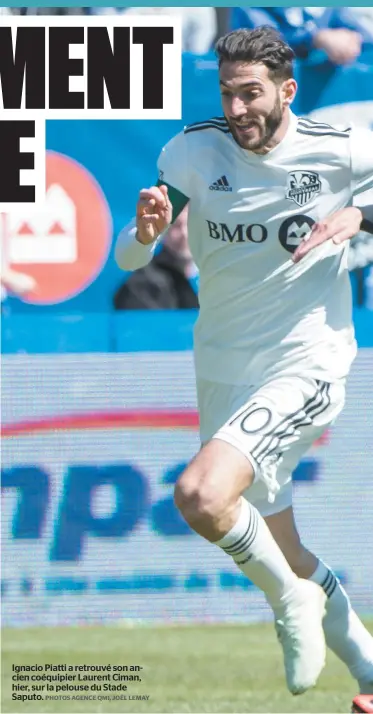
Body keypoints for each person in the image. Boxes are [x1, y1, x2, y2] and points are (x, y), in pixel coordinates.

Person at [115, 27, 373, 698]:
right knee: (282, 545)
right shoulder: (192, 150)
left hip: (306, 358)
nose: (236, 110)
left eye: (250, 93)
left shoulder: (338, 149)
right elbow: (129, 258)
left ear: (287, 91)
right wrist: (142, 236)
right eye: (228, 93)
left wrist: (362, 217)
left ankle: (289, 603)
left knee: (200, 495)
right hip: (224, 368)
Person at [114, 206, 199, 310]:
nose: (185, 234)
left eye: (192, 225)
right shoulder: (142, 285)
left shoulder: (217, 275)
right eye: (176, 226)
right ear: (162, 231)